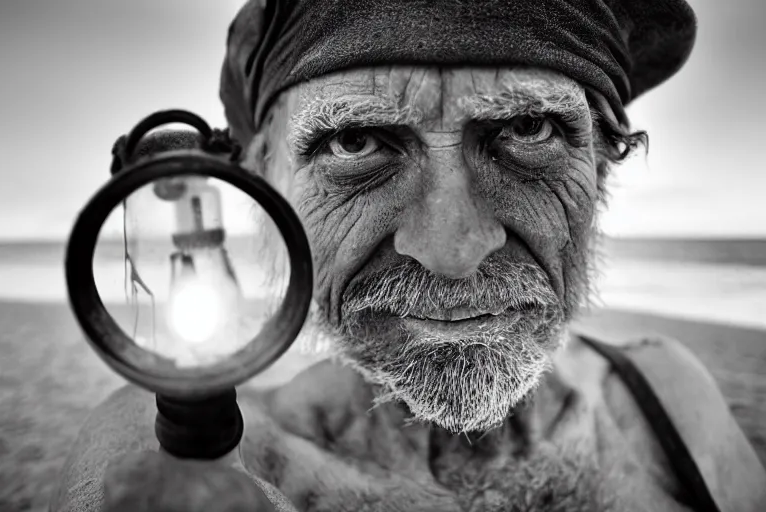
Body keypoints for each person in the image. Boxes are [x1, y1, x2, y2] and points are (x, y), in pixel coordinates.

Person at [52, 0, 766, 510]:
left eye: (529, 127)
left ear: (603, 171)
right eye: (355, 143)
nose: (452, 251)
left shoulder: (667, 398)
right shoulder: (161, 446)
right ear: (262, 184)